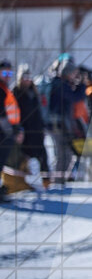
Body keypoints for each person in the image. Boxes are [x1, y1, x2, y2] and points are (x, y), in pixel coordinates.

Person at [12, 64, 49, 188]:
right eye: (24, 76)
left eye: (29, 76)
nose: (27, 79)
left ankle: (46, 182)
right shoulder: (15, 92)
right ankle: (21, 183)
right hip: (23, 130)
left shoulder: (34, 91)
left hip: (36, 129)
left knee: (42, 155)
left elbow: (39, 111)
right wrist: (17, 129)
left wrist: (42, 127)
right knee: (24, 157)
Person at [0, 60, 23, 201]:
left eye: (10, 73)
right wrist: (12, 132)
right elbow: (1, 116)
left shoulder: (5, 88)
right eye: (4, 72)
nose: (8, 75)